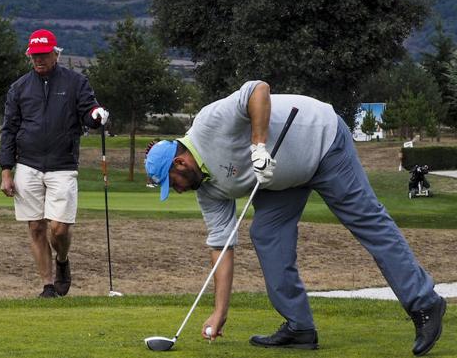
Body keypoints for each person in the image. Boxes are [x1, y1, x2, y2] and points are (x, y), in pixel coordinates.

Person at [145, 80, 445, 356]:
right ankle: (299, 326)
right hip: (282, 179)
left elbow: (258, 90)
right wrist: (220, 311)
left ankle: (425, 303)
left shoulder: (209, 122)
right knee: (266, 234)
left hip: (322, 141)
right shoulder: (208, 191)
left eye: (174, 183)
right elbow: (221, 247)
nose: (179, 191)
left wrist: (259, 148)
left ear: (180, 162)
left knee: (367, 220)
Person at [0, 29, 109, 299]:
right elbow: (9, 130)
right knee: (36, 227)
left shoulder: (75, 82)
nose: (39, 60)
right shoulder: (19, 87)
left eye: (44, 55)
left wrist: (96, 116)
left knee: (59, 228)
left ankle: (62, 259)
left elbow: (88, 112)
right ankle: (48, 285)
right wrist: (6, 171)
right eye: (34, 56)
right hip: (28, 164)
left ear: (55, 53)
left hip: (63, 164)